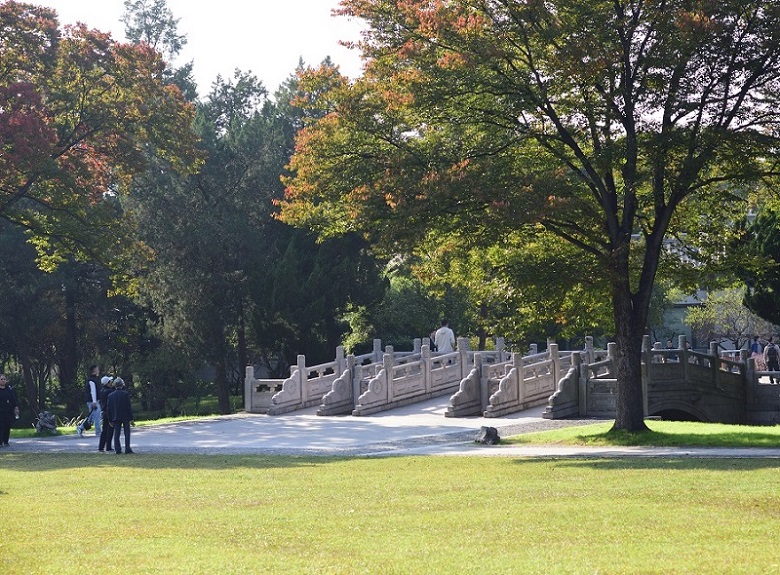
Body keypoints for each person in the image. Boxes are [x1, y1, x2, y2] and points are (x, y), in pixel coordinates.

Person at [106, 377, 134, 454]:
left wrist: (110, 419)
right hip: (125, 416)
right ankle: (127, 448)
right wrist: (131, 418)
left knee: (116, 433)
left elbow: (109, 409)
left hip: (115, 416)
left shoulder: (110, 396)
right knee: (127, 433)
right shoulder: (125, 394)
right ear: (122, 385)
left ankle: (117, 449)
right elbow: (128, 407)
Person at [77, 365, 101, 437]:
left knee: (92, 417)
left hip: (95, 400)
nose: (98, 370)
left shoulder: (95, 379)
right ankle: (98, 432)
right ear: (94, 370)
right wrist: (94, 401)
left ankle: (81, 427)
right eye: (97, 369)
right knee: (97, 416)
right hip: (93, 401)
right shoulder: (91, 380)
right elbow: (93, 391)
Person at [0, 373, 19, 447]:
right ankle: (0, 442)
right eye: (1, 379)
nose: (3, 380)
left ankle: (6, 441)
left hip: (8, 411)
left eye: (4, 379)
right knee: (1, 426)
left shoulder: (9, 389)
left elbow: (13, 399)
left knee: (7, 426)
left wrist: (16, 407)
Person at [97, 375, 114, 452]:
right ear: (107, 383)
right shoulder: (109, 391)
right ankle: (108, 446)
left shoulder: (101, 391)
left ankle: (101, 446)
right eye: (110, 382)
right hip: (109, 412)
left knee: (104, 430)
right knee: (110, 429)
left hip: (103, 411)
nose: (111, 383)